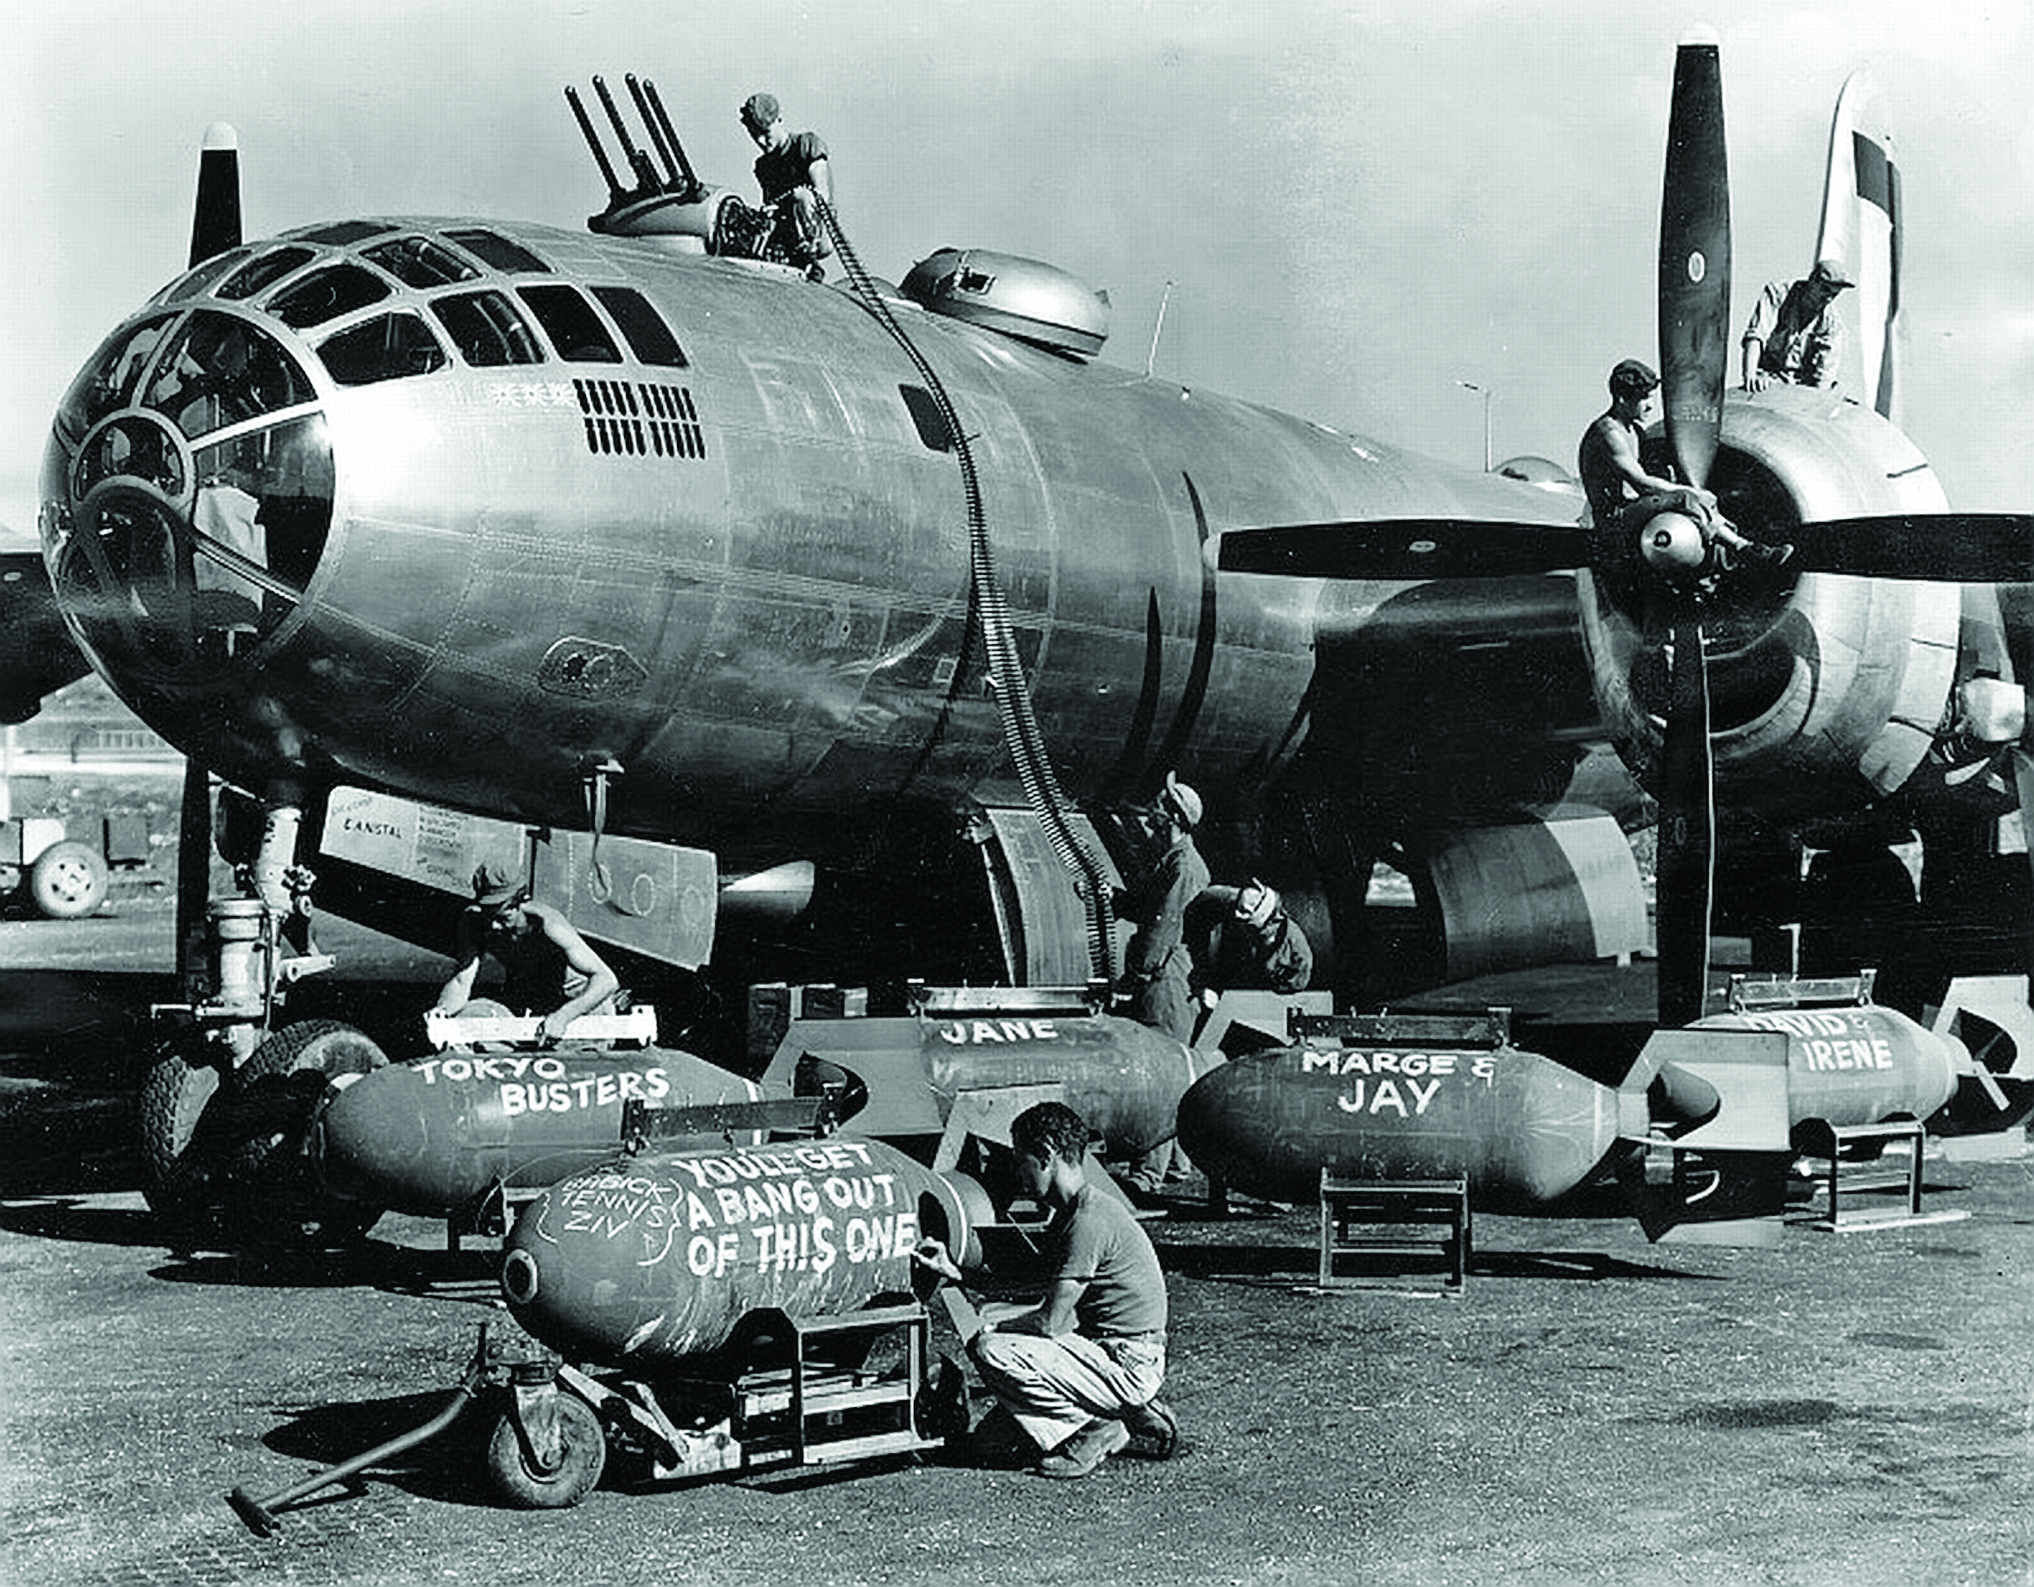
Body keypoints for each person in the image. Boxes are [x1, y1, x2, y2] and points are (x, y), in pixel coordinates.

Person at [914, 1101, 1178, 1479]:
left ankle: (1096, 1428)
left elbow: (1050, 1323)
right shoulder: (1074, 1213)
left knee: (991, 1349)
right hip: (1107, 1352)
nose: (1018, 1171)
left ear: (1046, 1155)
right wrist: (954, 1272)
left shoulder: (1088, 1221)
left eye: (1021, 1159)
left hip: (1127, 1362)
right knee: (989, 1444)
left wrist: (994, 1333)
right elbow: (1030, 1281)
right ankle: (1123, 1414)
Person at [1577, 357, 1789, 587]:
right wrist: (1690, 492)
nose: (1650, 405)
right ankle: (1744, 549)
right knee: (1687, 499)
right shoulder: (1610, 434)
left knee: (1695, 503)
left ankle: (1743, 552)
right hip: (1614, 520)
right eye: (1643, 399)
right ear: (1621, 399)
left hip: (1634, 509)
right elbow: (1643, 484)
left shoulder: (1635, 430)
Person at [1112, 772, 1211, 1195]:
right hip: (1168, 975)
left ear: (1171, 815)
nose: (1150, 811)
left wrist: (1135, 976)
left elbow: (1164, 926)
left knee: (1159, 1072)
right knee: (1177, 1069)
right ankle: (1176, 1165)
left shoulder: (1182, 865)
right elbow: (1151, 908)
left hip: (1165, 979)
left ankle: (1147, 1173)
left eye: (1158, 804)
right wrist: (1113, 898)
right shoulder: (1172, 861)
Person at [432, 863, 620, 1045]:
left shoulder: (548, 924)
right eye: (487, 915)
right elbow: (461, 981)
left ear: (522, 902)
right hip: (529, 998)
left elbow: (607, 980)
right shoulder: (473, 922)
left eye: (503, 918)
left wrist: (563, 1016)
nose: (493, 926)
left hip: (578, 1002)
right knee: (468, 1020)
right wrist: (440, 1014)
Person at [737, 92, 833, 276]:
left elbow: (821, 194)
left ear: (779, 120)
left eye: (766, 134)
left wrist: (792, 199)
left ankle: (808, 257)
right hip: (783, 230)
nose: (761, 141)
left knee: (801, 196)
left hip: (816, 227)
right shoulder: (763, 166)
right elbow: (769, 201)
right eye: (754, 135)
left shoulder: (806, 144)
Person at [1742, 258, 1853, 392]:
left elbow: (1825, 373)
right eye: (1825, 290)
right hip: (1768, 380)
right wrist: (1751, 375)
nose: (1828, 299)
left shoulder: (1831, 324)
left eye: (1834, 294)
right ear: (1812, 281)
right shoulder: (1777, 295)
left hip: (1803, 389)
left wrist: (1816, 401)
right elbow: (1756, 335)